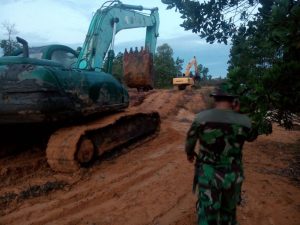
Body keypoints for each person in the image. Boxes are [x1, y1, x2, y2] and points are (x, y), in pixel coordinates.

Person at [185, 84, 255, 225]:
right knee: (228, 213)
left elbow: (190, 139)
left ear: (215, 98)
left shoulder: (201, 117)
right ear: (234, 100)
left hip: (208, 173)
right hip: (233, 174)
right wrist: (238, 113)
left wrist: (190, 153)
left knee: (207, 212)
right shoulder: (245, 121)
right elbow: (252, 137)